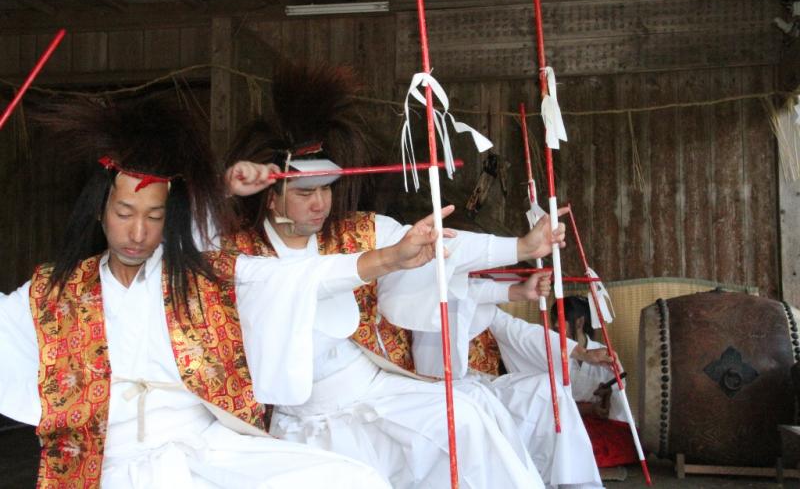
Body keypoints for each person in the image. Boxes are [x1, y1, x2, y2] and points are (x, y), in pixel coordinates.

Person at [0, 96, 448, 489]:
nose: (138, 232)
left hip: (206, 448)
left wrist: (389, 258)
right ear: (100, 212)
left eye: (154, 216)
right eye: (124, 212)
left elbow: (299, 277)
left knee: (354, 480)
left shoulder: (196, 277)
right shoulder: (52, 291)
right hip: (109, 461)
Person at [222, 62, 571, 488]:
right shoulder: (233, 251)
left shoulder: (357, 231)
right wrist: (227, 187)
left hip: (372, 386)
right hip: (304, 416)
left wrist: (519, 247)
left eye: (327, 189)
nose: (320, 204)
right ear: (271, 199)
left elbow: (437, 242)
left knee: (464, 420)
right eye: (304, 192)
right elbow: (183, 233)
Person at [412, 274, 611, 489]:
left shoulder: (485, 308)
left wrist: (582, 353)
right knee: (478, 402)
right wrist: (518, 289)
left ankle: (572, 481)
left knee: (548, 387)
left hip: (479, 381)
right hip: (431, 383)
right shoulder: (427, 294)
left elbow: (522, 333)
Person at [552, 296, 638, 471]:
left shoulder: (602, 353)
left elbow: (618, 400)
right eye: (554, 321)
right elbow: (551, 400)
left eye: (560, 320)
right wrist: (586, 409)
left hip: (599, 424)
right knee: (560, 446)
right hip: (568, 420)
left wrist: (607, 396)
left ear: (579, 322)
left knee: (616, 446)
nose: (554, 326)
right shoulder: (552, 353)